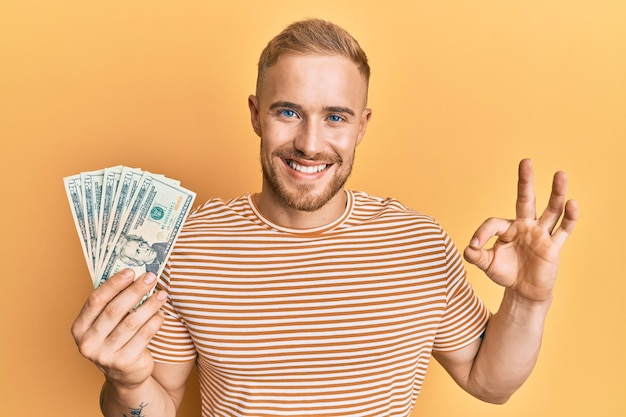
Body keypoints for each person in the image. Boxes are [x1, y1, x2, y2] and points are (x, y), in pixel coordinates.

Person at [71, 18, 578, 417]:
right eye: (288, 112)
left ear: (362, 126)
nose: (310, 144)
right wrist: (128, 382)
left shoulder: (418, 244)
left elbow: (488, 383)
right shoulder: (190, 247)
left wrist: (529, 299)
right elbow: (150, 409)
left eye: (335, 116)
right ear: (254, 113)